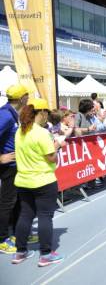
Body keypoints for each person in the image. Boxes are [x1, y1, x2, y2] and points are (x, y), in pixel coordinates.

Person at [12, 98, 64, 266]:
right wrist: (57, 145)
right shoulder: (41, 133)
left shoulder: (20, 131)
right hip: (43, 180)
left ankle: (20, 252)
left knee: (25, 215)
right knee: (45, 217)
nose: (47, 116)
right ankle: (46, 255)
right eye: (47, 113)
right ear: (41, 113)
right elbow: (51, 158)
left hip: (23, 180)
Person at [0, 84, 28, 254]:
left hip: (16, 164)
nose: (29, 98)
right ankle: (2, 239)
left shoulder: (12, 113)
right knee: (7, 202)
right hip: (8, 166)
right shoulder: (5, 115)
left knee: (17, 199)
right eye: (27, 95)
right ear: (21, 98)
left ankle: (17, 233)